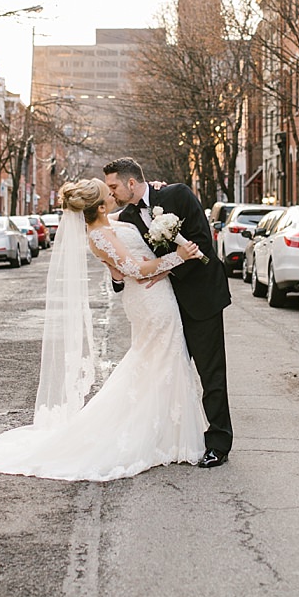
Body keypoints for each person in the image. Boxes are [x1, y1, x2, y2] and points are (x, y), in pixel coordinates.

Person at [0, 178, 207, 481]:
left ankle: (170, 432)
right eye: (108, 193)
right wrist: (180, 256)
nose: (114, 194)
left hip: (155, 297)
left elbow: (136, 217)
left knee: (161, 360)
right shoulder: (99, 235)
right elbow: (136, 271)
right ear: (99, 206)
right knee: (159, 358)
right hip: (151, 303)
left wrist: (151, 190)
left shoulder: (108, 222)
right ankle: (165, 436)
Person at [102, 156, 233, 468]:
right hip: (163, 308)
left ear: (131, 182)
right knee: (166, 375)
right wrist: (118, 274)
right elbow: (128, 262)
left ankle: (219, 443)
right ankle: (167, 439)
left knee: (211, 373)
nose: (112, 193)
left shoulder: (178, 195)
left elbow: (202, 243)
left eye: (114, 186)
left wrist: (168, 270)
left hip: (201, 298)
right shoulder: (126, 219)